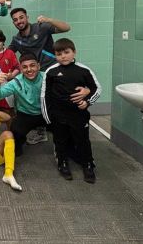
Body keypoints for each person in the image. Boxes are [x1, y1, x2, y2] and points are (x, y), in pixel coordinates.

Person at [9, 7, 72, 145]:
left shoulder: (41, 28)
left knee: (56, 101)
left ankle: (63, 133)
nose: (19, 21)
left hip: (50, 72)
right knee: (35, 100)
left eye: (21, 17)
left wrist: (48, 19)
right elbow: (7, 55)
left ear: (27, 17)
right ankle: (41, 131)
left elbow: (67, 27)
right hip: (33, 76)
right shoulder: (17, 39)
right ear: (13, 23)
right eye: (15, 20)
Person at [41, 38, 101, 183]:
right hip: (58, 116)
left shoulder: (84, 70)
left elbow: (97, 89)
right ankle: (62, 163)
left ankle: (87, 165)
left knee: (83, 141)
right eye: (59, 53)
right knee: (60, 141)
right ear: (55, 55)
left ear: (74, 52)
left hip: (79, 115)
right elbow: (44, 96)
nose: (63, 56)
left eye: (66, 52)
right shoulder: (51, 71)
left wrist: (87, 102)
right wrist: (48, 119)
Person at [0, 53, 46, 157]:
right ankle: (18, 147)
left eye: (32, 65)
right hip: (25, 114)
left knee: (64, 126)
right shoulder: (16, 82)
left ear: (38, 66)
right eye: (24, 67)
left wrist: (86, 90)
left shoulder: (47, 77)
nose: (29, 69)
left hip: (45, 113)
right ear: (20, 68)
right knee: (15, 132)